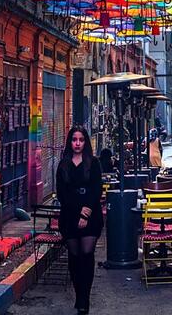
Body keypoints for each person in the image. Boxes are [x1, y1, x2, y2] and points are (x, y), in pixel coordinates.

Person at [55, 126, 103, 314]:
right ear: (70, 142)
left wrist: (86, 213)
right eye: (74, 139)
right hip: (69, 216)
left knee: (86, 255)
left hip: (90, 217)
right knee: (74, 258)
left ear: (85, 142)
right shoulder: (63, 165)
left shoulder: (94, 163)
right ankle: (78, 294)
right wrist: (77, 212)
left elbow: (96, 189)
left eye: (81, 140)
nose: (77, 143)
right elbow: (62, 193)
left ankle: (85, 298)